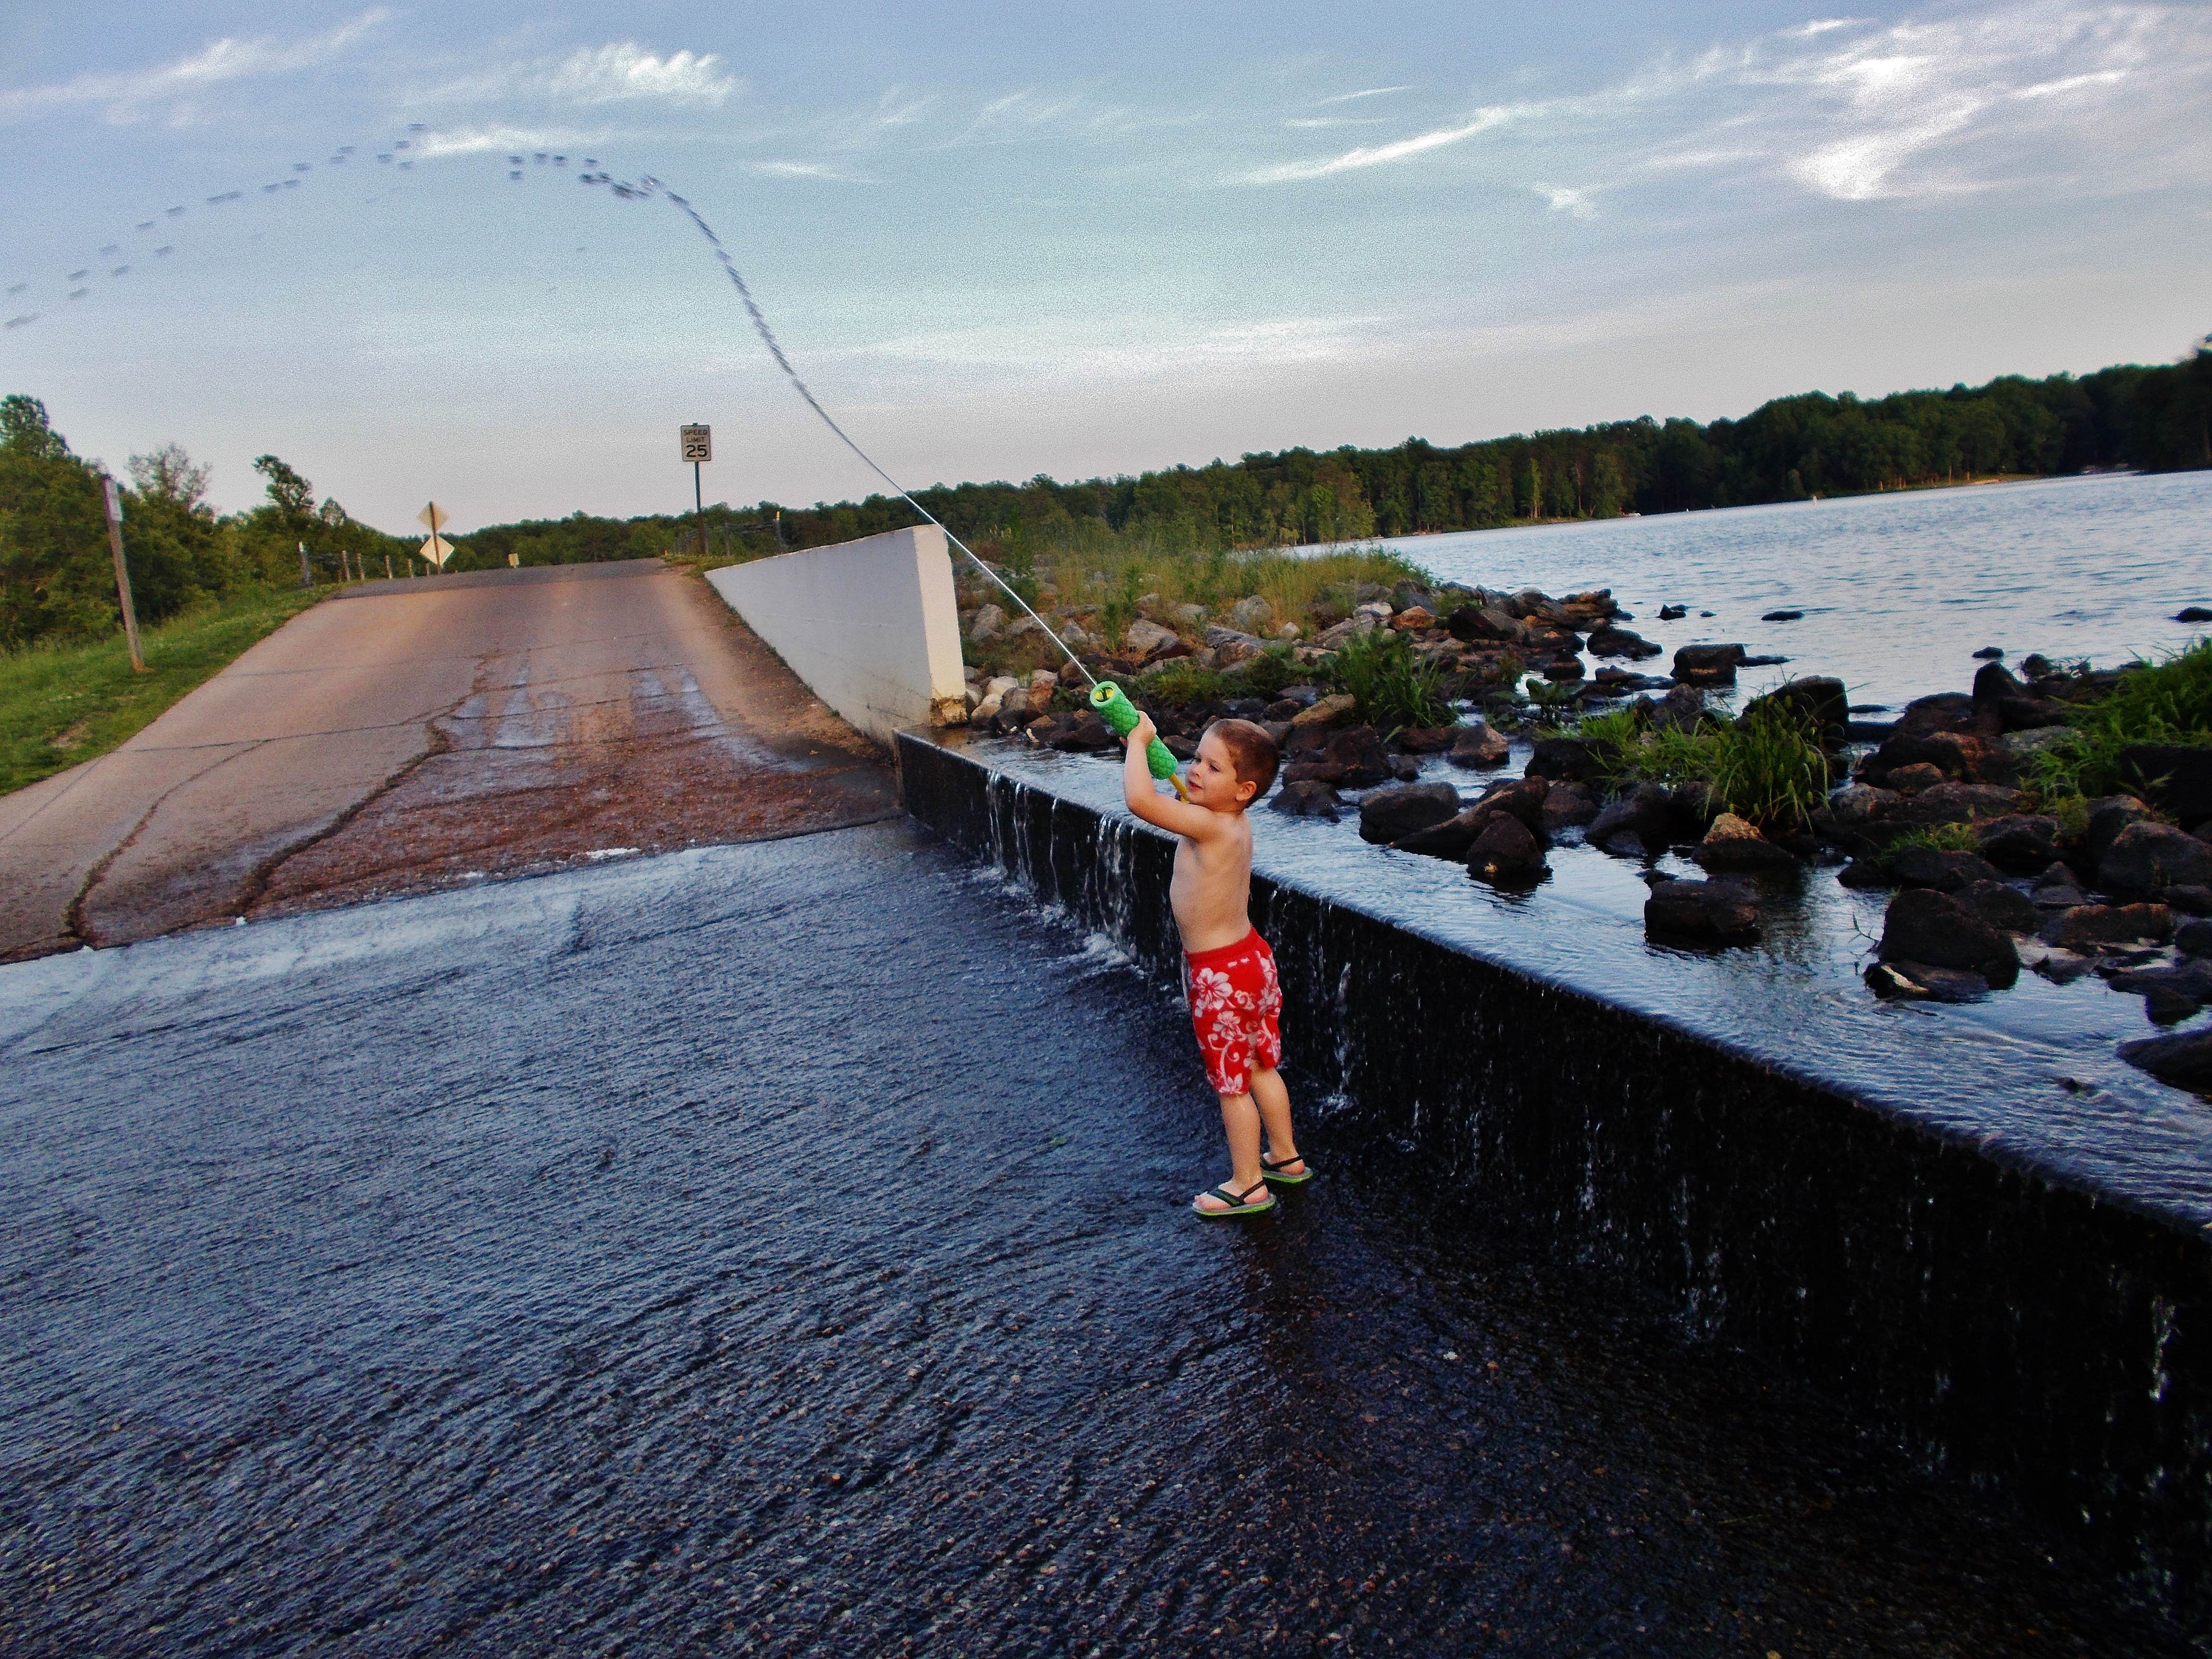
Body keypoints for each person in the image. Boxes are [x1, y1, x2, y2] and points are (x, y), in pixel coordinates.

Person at [1122, 709, 1310, 1217]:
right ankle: (1286, 1157)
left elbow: (1140, 800)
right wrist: (1167, 759)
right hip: (1252, 960)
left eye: (1213, 767)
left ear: (1244, 789)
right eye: (1196, 760)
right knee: (1260, 1064)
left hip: (1221, 976)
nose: (1196, 772)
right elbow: (1188, 802)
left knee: (1232, 1083)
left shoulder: (1208, 825)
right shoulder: (1233, 822)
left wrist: (1138, 741)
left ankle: (1249, 1184)